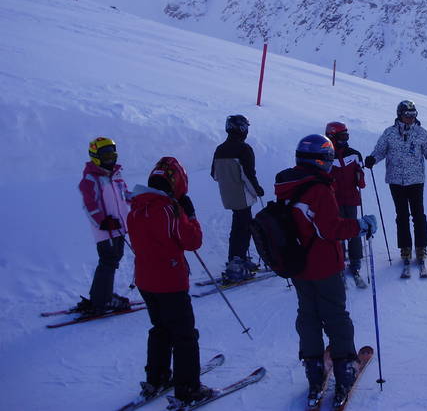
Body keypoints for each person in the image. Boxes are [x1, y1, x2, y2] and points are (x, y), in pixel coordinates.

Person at [274, 134, 377, 408]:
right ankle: (344, 372)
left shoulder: (287, 184)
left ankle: (314, 372)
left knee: (308, 316)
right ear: (322, 161)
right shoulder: (317, 189)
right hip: (323, 265)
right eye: (329, 160)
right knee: (335, 316)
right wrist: (361, 225)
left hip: (298, 265)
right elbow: (331, 229)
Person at [127, 156, 213, 407]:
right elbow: (192, 241)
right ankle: (188, 389)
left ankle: (157, 377)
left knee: (160, 329)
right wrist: (191, 215)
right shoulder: (167, 209)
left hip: (145, 279)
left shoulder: (136, 206)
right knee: (184, 335)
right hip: (170, 280)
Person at [364, 100, 427, 271]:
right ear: (399, 115)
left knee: (418, 214)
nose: (411, 118)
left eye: (414, 115)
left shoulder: (421, 133)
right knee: (401, 215)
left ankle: (421, 247)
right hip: (395, 181)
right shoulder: (389, 133)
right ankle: (405, 248)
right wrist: (373, 159)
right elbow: (380, 150)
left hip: (416, 180)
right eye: (408, 115)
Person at [77, 137, 131, 315]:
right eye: (105, 154)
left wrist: (140, 198)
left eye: (112, 153)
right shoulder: (91, 179)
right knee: (108, 261)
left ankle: (100, 295)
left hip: (119, 227)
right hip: (105, 230)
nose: (110, 157)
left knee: (113, 259)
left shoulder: (116, 175)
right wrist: (102, 221)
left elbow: (125, 195)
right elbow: (89, 205)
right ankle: (102, 300)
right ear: (95, 156)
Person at [211, 114, 265, 282]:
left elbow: (214, 174)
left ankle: (237, 258)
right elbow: (249, 174)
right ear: (242, 129)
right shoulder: (244, 149)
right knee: (243, 227)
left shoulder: (220, 149)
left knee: (239, 225)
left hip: (227, 195)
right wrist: (257, 190)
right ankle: (236, 263)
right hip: (242, 195)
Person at [325, 121, 366, 283]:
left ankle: (355, 261)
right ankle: (339, 261)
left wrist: (360, 178)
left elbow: (360, 173)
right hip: (333, 200)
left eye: (346, 136)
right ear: (332, 137)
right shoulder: (325, 155)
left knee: (354, 229)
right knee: (338, 231)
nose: (345, 140)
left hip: (351, 198)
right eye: (341, 136)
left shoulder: (353, 153)